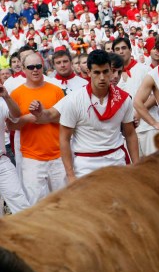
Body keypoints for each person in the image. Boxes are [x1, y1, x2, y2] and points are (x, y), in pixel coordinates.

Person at [29, 50, 139, 181]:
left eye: (105, 72)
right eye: (97, 72)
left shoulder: (124, 99)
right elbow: (64, 138)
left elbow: (130, 134)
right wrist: (70, 175)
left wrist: (137, 167)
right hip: (86, 165)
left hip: (117, 160)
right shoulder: (74, 99)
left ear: (111, 71)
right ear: (89, 72)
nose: (102, 77)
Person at [9, 53, 66, 204]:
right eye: (31, 67)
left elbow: (66, 118)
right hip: (31, 158)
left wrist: (44, 116)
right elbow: (10, 125)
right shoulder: (16, 94)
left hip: (58, 156)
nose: (35, 70)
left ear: (43, 66)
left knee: (64, 203)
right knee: (36, 205)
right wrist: (28, 118)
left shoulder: (56, 90)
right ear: (23, 69)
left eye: (38, 66)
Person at [0, 80, 30, 215]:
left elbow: (16, 115)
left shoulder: (1, 102)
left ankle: (29, 234)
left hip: (2, 162)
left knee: (21, 203)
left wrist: (6, 96)